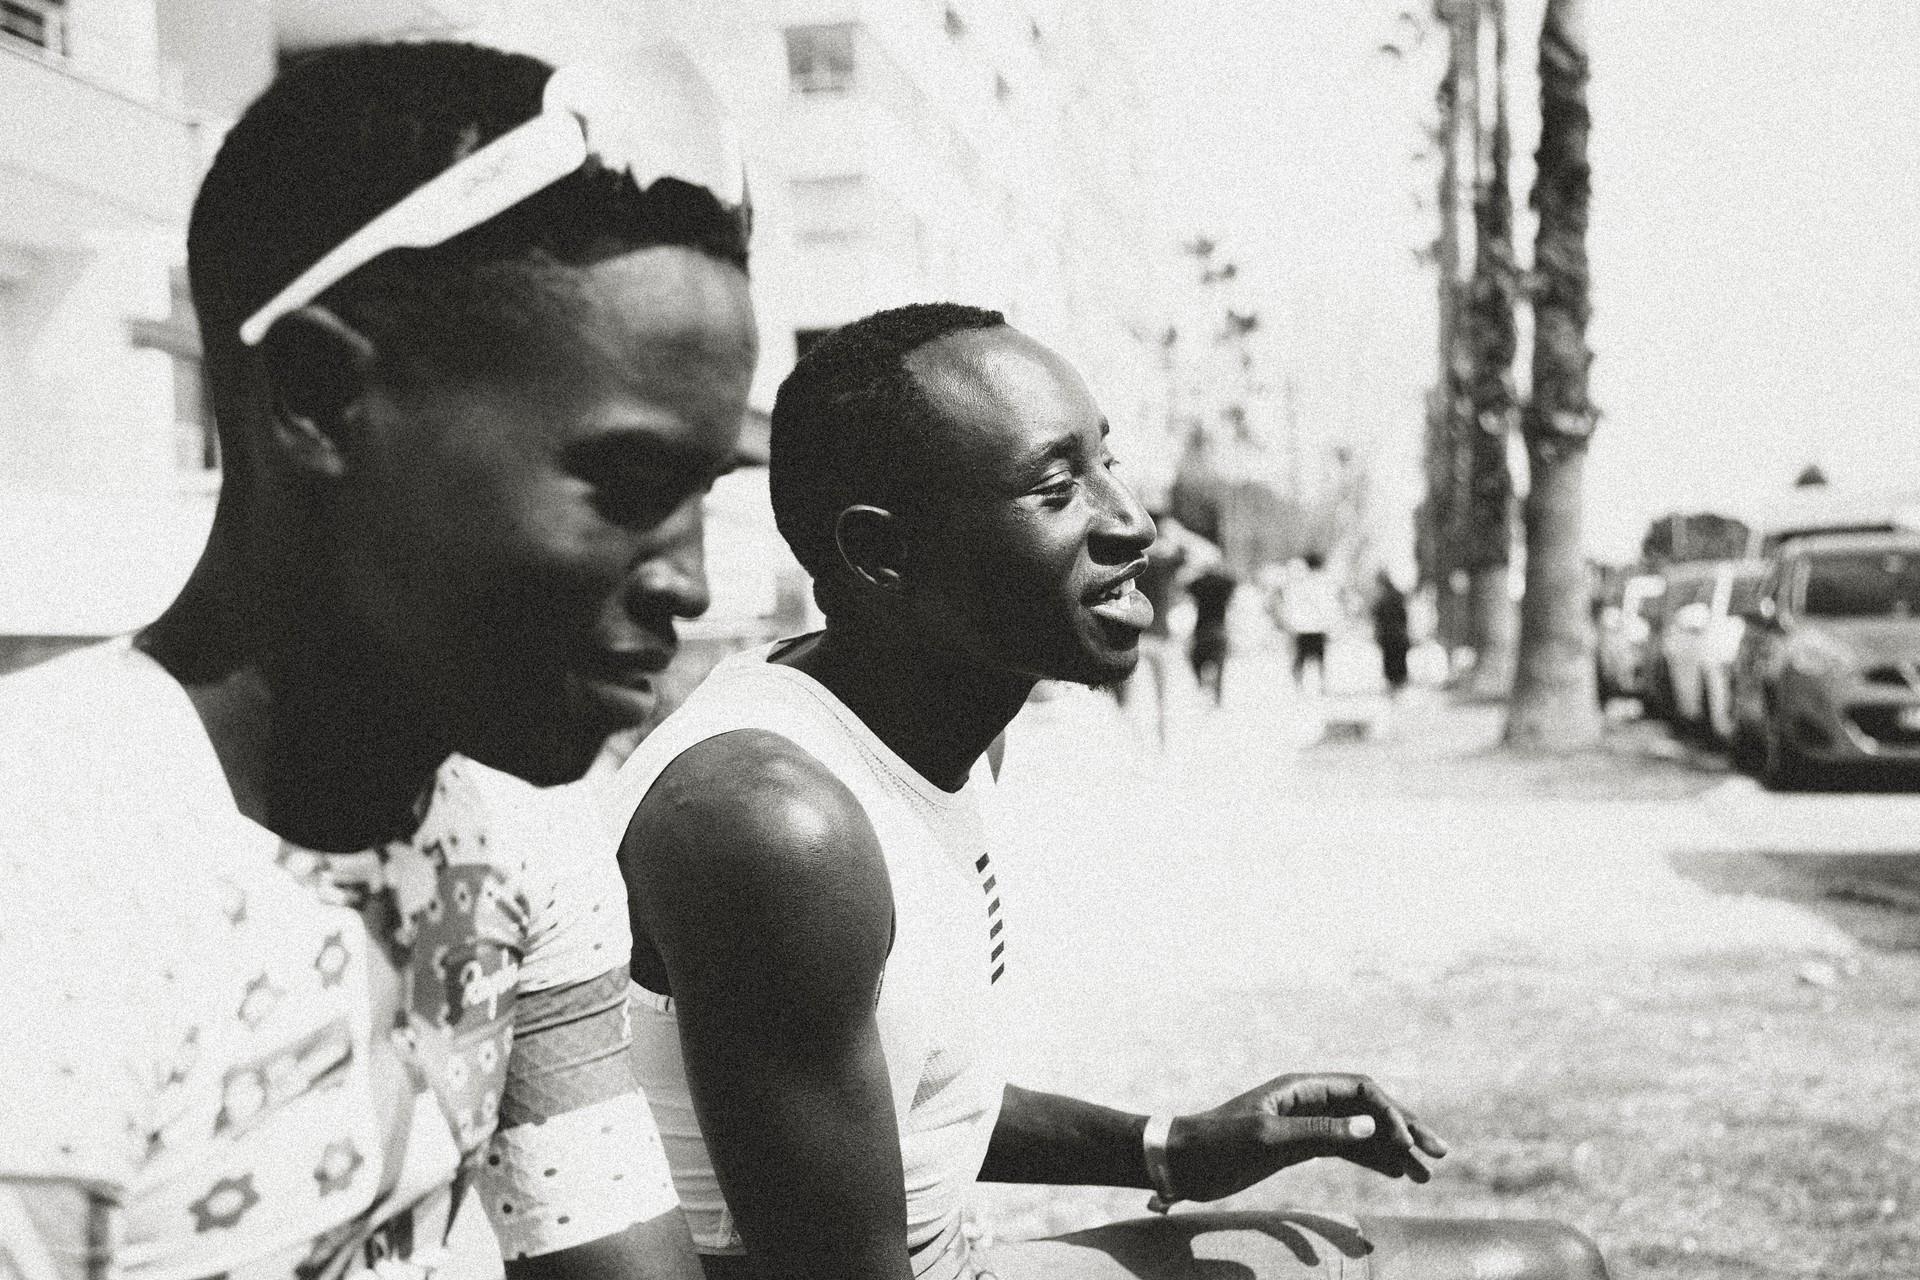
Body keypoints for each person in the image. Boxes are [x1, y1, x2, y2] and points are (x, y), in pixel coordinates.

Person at [606, 303, 1609, 1279]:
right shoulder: (774, 822)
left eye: (1106, 462)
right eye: (1057, 486)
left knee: (1550, 1263)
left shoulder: (931, 732)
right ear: (880, 551)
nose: (1133, 522)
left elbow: (895, 1103)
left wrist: (1173, 1145)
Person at [0, 41, 758, 1280]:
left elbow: (614, 1255)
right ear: (318, 397)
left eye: (702, 496)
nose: (690, 580)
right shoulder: (45, 876)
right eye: (627, 483)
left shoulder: (519, 836)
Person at [1112, 511, 1221, 742]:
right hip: (1161, 636)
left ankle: (1133, 742)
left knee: (1133, 696)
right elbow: (1211, 556)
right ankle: (1162, 742)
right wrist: (1181, 534)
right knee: (1163, 696)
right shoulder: (1168, 561)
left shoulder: (1136, 558)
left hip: (1135, 636)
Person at [1275, 553, 1340, 695]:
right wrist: (1331, 625)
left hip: (1301, 626)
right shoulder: (1324, 582)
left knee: (1300, 658)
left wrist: (1289, 623)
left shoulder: (1299, 581)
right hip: (1318, 626)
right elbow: (1330, 605)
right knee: (1319, 658)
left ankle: (1299, 686)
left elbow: (1290, 603)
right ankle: (1322, 685)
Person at [1184, 566, 1238, 707]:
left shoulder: (1200, 584)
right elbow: (1233, 582)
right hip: (1219, 630)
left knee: (1195, 660)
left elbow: (1187, 586)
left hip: (1202, 631)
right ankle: (1217, 697)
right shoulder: (1224, 585)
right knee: (1220, 666)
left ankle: (1201, 685)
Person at [1370, 570, 1413, 699]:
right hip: (1398, 634)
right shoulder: (1398, 596)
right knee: (1397, 662)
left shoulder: (1382, 598)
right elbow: (1405, 616)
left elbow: (1376, 617)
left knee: (1391, 661)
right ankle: (1397, 688)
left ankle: (1395, 688)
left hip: (1389, 635)